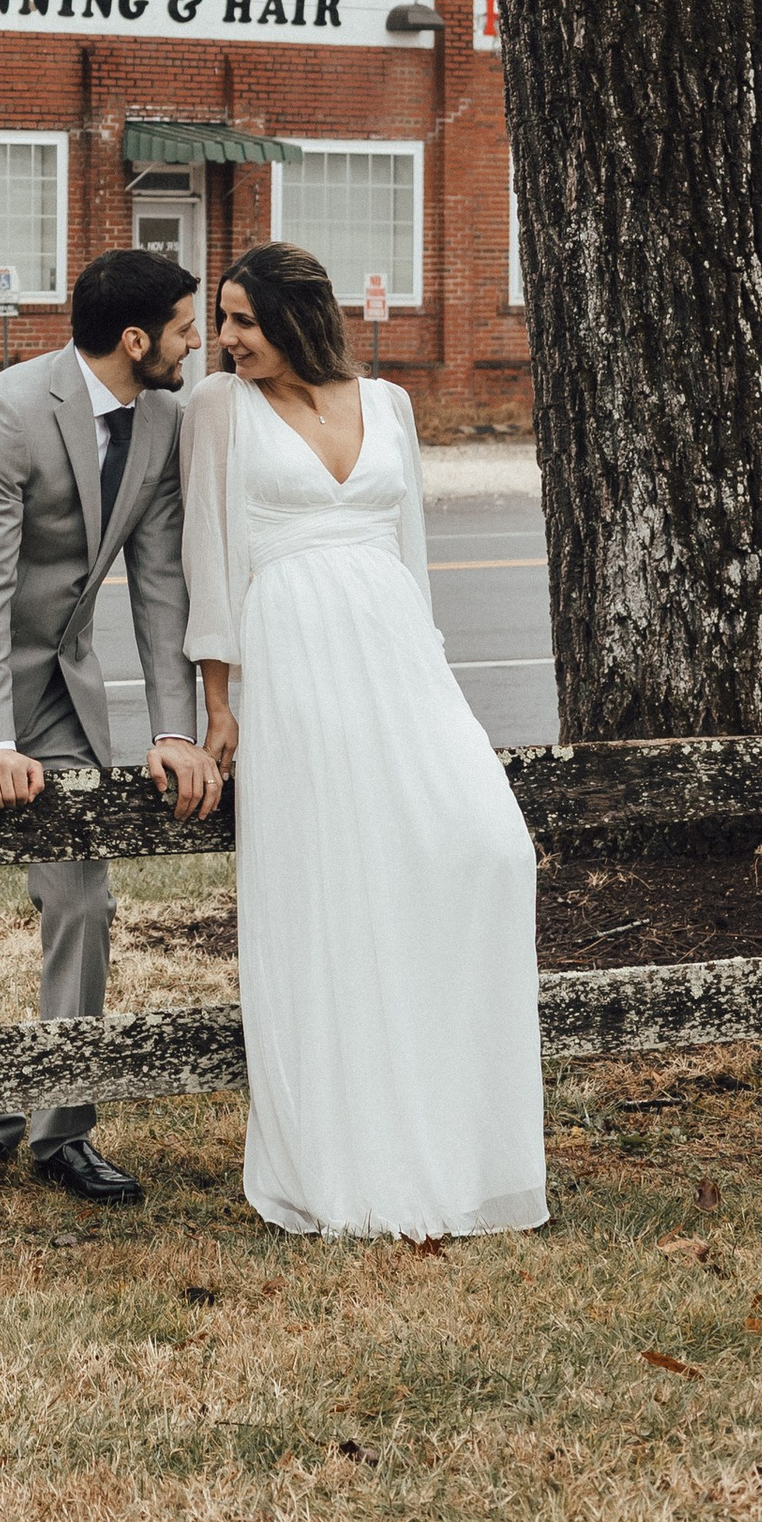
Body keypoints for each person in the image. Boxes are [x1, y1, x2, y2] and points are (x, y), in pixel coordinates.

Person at [181, 242, 547, 1242]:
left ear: (297, 320)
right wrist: (218, 701)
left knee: (486, 847)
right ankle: (350, 1159)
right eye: (219, 320)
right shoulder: (219, 409)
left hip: (399, 658)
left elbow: (409, 552)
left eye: (243, 322)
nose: (224, 340)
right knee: (335, 890)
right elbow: (208, 557)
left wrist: (431, 675)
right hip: (290, 656)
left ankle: (461, 1140)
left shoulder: (387, 406)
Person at [0, 247, 221, 1203]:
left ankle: (65, 1126)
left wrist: (175, 728)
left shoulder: (164, 422)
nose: (200, 344)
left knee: (80, 898)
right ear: (136, 339)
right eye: (187, 329)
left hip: (60, 684)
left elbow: (160, 586)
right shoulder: (3, 411)